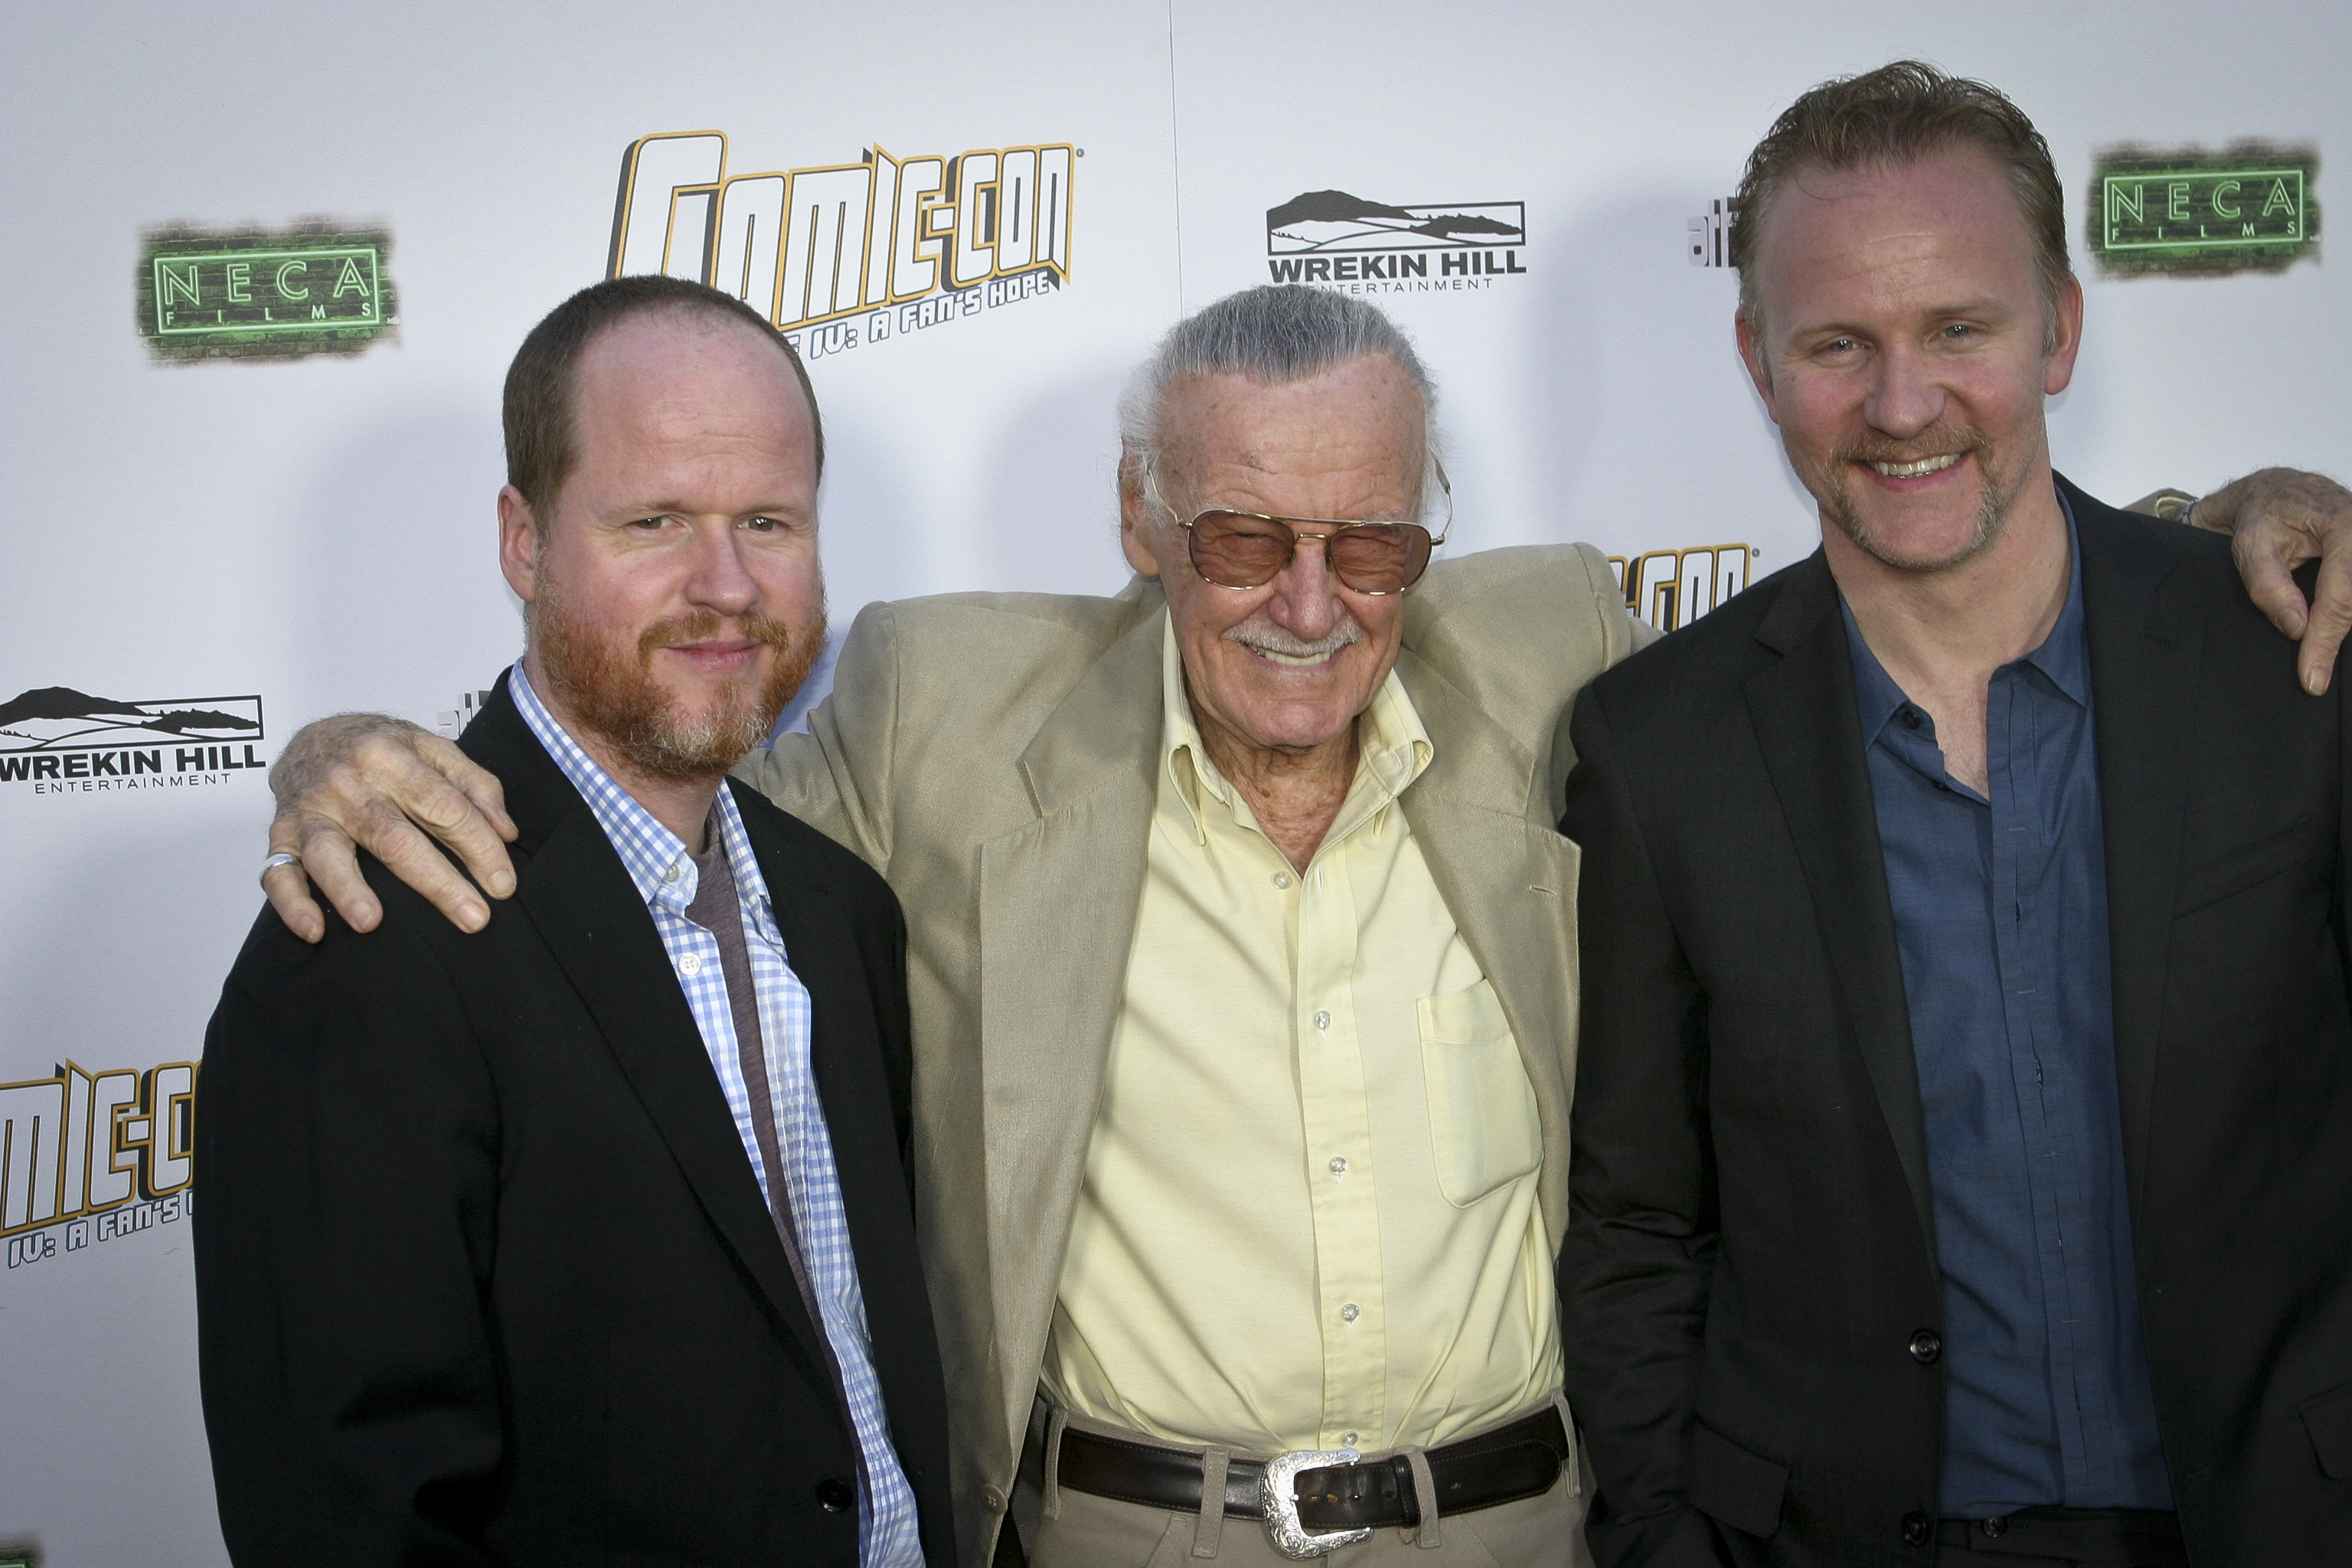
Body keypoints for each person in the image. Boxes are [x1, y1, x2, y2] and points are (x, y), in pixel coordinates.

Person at [250, 284, 2347, 1568]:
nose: (1313, 603)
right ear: (1141, 523)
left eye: (1374, 540)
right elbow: (643, 792)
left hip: (1530, 1530)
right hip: (1129, 1538)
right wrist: (350, 751)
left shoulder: (1558, 649)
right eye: (1244, 535)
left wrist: (2221, 528)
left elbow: (1883, 612)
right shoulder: (936, 706)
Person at [1559, 62, 2352, 1568]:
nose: (1902, 404)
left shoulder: (2290, 657)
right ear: (1758, 359)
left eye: (1959, 330)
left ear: (2059, 329)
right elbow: (1640, 1228)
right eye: (1838, 344)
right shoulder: (1658, 746)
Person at [194, 277, 953, 1566]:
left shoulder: (844, 912)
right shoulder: (370, 940)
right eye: (655, 521)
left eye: (769, 521)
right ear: (523, 540)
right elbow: (347, 1512)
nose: (727, 585)